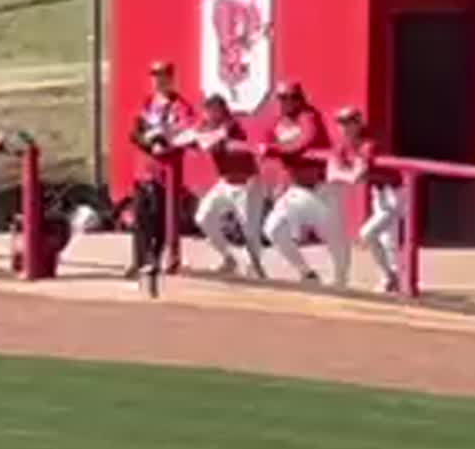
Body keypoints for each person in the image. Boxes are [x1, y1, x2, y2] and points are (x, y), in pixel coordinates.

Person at [259, 82, 348, 286]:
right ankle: (307, 273)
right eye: (282, 98)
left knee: (333, 238)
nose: (286, 102)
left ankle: (341, 282)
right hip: (296, 187)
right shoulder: (278, 122)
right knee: (272, 228)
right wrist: (281, 181)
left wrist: (276, 149)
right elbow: (273, 149)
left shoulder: (308, 116)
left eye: (291, 97)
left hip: (322, 187)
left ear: (300, 98)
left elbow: (306, 141)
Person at [184, 94, 266, 277]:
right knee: (202, 218)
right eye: (207, 111)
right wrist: (187, 137)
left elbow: (213, 140)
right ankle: (229, 258)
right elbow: (191, 136)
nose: (210, 114)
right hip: (225, 183)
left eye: (214, 110)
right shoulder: (206, 125)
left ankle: (257, 270)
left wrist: (199, 137)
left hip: (247, 184)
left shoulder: (231, 124)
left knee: (250, 231)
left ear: (222, 110)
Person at [125, 61, 192, 280]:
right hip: (144, 168)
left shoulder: (180, 106)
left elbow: (184, 132)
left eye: (162, 75)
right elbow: (134, 132)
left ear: (171, 78)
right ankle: (139, 260)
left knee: (161, 218)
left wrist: (165, 140)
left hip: (166, 172)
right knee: (141, 216)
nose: (157, 80)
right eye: (154, 75)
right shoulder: (146, 103)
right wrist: (147, 141)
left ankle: (160, 257)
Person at [327, 106, 402, 292]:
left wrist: (341, 174)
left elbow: (356, 177)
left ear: (358, 123)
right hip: (379, 193)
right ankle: (392, 278)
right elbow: (330, 173)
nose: (344, 127)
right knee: (386, 240)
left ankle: (390, 277)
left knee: (368, 234)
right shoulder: (342, 144)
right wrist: (344, 174)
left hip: (397, 192)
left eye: (348, 122)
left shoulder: (369, 142)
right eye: (341, 123)